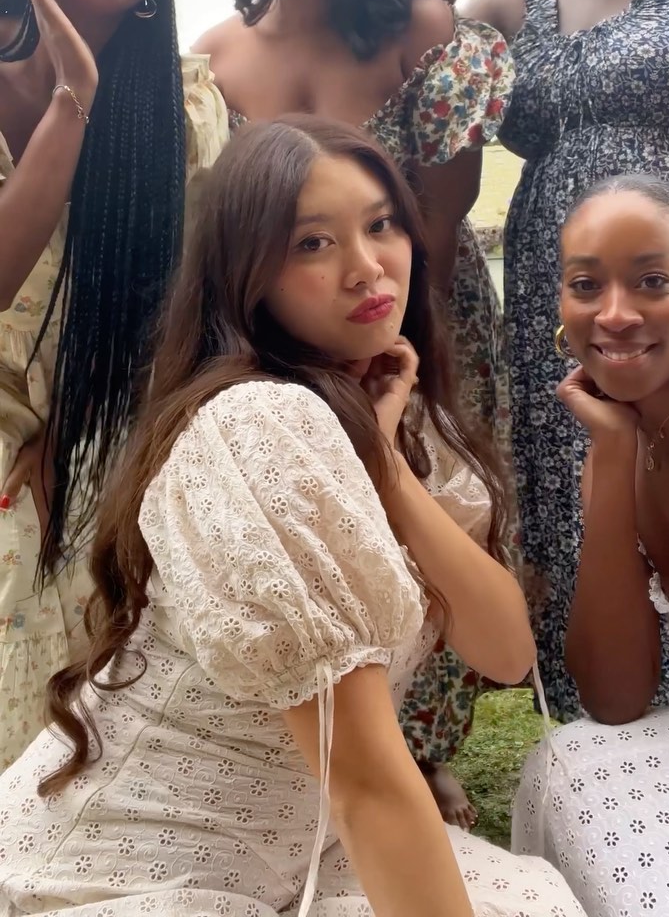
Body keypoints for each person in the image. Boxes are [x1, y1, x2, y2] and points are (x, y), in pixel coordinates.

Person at [0, 116, 587, 917]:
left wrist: (385, 467)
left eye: (382, 224)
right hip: (133, 870)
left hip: (297, 852)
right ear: (249, 277)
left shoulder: (402, 423)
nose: (367, 266)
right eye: (313, 243)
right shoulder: (257, 428)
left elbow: (506, 651)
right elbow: (367, 782)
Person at [193, 0, 516, 825]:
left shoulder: (425, 32)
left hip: (425, 315)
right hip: (280, 340)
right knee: (318, 526)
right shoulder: (212, 59)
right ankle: (323, 737)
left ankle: (421, 748)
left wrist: (394, 334)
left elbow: (445, 211)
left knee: (433, 515)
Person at [435, 0, 669, 719]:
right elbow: (414, 62)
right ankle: (614, 709)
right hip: (567, 299)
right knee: (582, 477)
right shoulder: (510, 3)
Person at [0, 0, 226, 769]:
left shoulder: (178, 109)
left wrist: (79, 432)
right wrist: (71, 99)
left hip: (101, 408)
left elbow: (180, 296)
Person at [512, 173, 669, 917]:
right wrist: (611, 454)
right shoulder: (619, 445)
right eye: (586, 285)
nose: (616, 314)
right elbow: (614, 696)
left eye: (652, 281)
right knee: (566, 758)